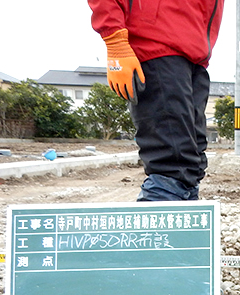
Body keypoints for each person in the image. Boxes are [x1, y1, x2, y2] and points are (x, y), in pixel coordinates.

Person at [88, 0, 224, 201]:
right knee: (171, 160)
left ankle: (184, 226)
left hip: (195, 53)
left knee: (192, 159)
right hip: (157, 45)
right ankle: (156, 230)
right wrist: (115, 40)